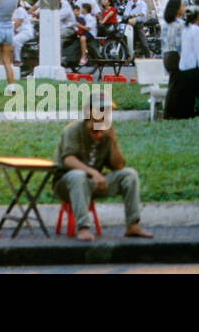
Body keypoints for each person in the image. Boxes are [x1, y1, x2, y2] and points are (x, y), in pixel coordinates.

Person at [52, 98, 152, 242]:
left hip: (94, 183)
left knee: (129, 175)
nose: (105, 114)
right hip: (67, 183)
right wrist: (93, 173)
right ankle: (83, 228)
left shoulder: (106, 132)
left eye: (107, 111)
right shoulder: (73, 130)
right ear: (88, 112)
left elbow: (118, 166)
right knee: (78, 176)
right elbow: (69, 160)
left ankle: (132, 225)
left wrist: (113, 140)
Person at [165, 6, 199, 120]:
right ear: (197, 16)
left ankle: (186, 115)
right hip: (194, 66)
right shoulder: (196, 30)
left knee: (187, 94)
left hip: (183, 66)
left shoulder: (184, 29)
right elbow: (198, 50)